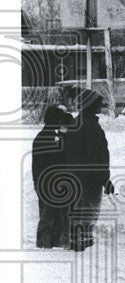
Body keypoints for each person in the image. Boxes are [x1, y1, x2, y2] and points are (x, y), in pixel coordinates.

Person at [63, 90, 112, 252]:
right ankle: (82, 247)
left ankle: (77, 242)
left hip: (73, 176)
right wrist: (105, 179)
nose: (101, 105)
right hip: (89, 179)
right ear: (90, 105)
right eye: (98, 102)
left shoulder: (74, 124)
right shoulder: (91, 127)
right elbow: (97, 156)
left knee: (77, 212)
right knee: (87, 214)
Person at [31, 105, 74, 248]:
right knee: (50, 217)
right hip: (50, 183)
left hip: (47, 183)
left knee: (51, 216)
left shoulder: (46, 136)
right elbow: (60, 158)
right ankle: (45, 245)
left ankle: (47, 245)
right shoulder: (49, 137)